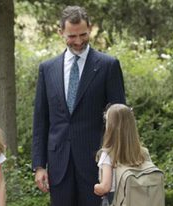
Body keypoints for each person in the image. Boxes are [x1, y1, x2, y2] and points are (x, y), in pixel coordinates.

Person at [32, 5, 126, 205]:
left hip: (97, 165)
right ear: (60, 33)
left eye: (83, 35)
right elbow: (41, 120)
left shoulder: (108, 65)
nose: (78, 41)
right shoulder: (47, 69)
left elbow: (119, 120)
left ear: (90, 28)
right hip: (59, 166)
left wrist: (114, 160)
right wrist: (39, 166)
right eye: (71, 36)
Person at [93, 104, 149, 204]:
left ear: (110, 127)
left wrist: (97, 187)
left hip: (116, 200)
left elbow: (106, 186)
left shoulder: (107, 154)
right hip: (138, 199)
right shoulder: (142, 152)